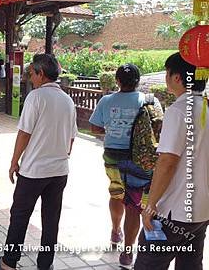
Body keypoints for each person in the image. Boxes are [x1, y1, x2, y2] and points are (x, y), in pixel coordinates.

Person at [0, 54, 77, 270]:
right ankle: (46, 264)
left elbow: (24, 133)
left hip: (34, 171)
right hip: (59, 170)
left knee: (19, 216)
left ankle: (9, 262)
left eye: (31, 73)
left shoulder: (36, 97)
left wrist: (14, 161)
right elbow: (71, 139)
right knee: (51, 220)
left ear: (41, 74)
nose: (30, 77)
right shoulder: (67, 100)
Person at [135, 53, 209, 270]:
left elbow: (167, 161)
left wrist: (151, 205)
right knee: (190, 264)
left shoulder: (178, 111)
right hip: (201, 211)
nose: (166, 78)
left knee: (149, 264)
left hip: (174, 211)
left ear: (177, 78)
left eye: (168, 73)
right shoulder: (205, 107)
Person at [89, 63, 163, 268]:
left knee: (116, 193)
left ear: (118, 81)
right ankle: (128, 253)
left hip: (112, 157)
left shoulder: (107, 100)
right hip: (142, 159)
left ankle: (115, 231)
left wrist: (115, 131)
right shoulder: (150, 101)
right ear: (138, 81)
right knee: (134, 205)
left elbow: (95, 127)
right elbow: (158, 129)